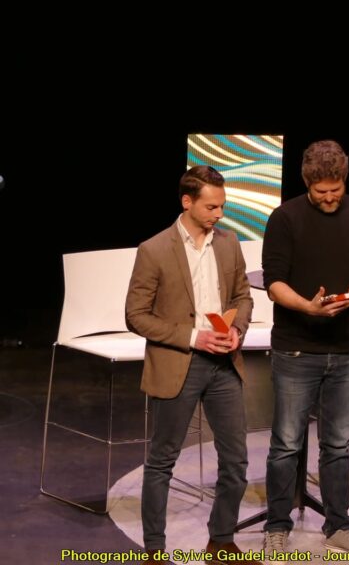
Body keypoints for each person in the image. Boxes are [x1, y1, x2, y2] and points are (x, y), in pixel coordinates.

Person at [260, 140, 349, 559]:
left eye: (336, 189)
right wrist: (308, 307)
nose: (330, 197)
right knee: (286, 444)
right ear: (307, 183)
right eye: (321, 191)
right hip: (296, 350)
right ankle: (277, 526)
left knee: (338, 444)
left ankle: (339, 525)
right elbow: (273, 283)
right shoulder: (285, 218)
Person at [125, 165, 257, 565]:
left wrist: (238, 330)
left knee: (235, 458)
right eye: (211, 207)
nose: (220, 214)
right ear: (187, 202)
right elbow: (136, 315)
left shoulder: (228, 243)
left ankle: (221, 543)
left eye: (222, 206)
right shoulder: (154, 249)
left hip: (224, 364)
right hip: (180, 363)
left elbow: (243, 297)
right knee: (162, 460)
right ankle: (154, 552)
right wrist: (192, 336)